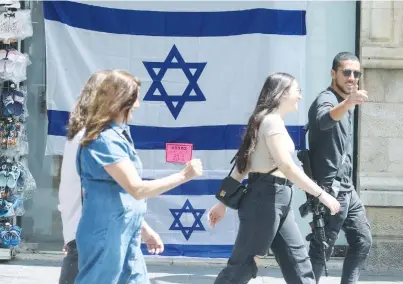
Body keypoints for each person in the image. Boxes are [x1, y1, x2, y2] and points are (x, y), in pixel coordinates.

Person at [207, 72, 340, 284]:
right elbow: (286, 166)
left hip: (277, 199)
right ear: (283, 93)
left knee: (299, 264)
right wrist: (322, 195)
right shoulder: (271, 122)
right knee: (242, 267)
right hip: (266, 198)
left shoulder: (267, 121)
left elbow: (243, 164)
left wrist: (222, 203)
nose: (300, 96)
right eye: (297, 91)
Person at [75, 70, 203, 284]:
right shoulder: (105, 140)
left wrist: (144, 230)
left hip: (124, 230)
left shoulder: (117, 135)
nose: (138, 105)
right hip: (107, 233)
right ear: (120, 100)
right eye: (135, 98)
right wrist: (184, 175)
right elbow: (136, 189)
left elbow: (121, 193)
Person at [57, 70, 164, 284]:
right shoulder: (93, 138)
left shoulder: (95, 134)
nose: (136, 105)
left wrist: (143, 228)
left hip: (105, 230)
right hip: (97, 232)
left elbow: (117, 190)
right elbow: (127, 188)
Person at [307, 52, 372, 284]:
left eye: (356, 73)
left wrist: (348, 104)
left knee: (362, 240)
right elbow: (324, 120)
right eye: (346, 72)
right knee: (320, 251)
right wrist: (348, 103)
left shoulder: (345, 104)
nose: (352, 77)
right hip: (329, 190)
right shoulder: (327, 99)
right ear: (333, 73)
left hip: (347, 190)